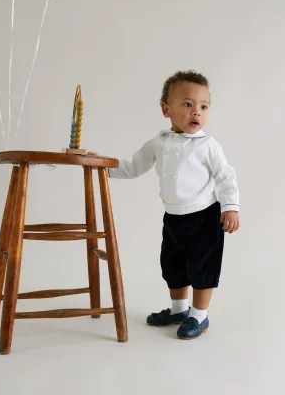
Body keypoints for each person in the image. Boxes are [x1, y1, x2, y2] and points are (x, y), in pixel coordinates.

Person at [91, 70, 240, 339]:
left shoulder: (207, 145)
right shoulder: (159, 143)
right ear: (165, 109)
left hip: (205, 217)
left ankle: (199, 315)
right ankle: (179, 309)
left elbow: (226, 176)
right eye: (187, 104)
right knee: (173, 263)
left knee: (201, 266)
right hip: (173, 218)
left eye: (203, 107)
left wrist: (231, 207)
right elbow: (133, 166)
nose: (196, 112)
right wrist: (102, 167)